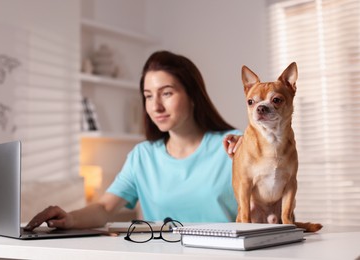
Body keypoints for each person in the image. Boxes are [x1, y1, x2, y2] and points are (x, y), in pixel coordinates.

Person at [25, 50, 242, 231]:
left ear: (193, 96)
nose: (156, 106)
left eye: (166, 93)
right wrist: (69, 218)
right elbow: (105, 208)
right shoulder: (143, 156)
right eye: (148, 96)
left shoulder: (233, 146)